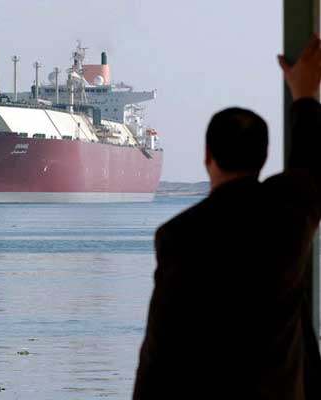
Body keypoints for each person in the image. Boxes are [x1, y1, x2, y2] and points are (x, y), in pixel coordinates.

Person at [133, 35, 321, 400]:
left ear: (207, 156)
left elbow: (160, 348)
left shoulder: (177, 235)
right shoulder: (288, 213)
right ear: (265, 155)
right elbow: (312, 164)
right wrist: (305, 96)